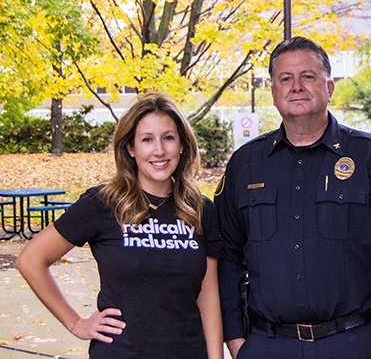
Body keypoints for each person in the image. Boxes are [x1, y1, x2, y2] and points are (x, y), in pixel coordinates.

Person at [215, 36, 371, 359]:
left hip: (354, 342)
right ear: (273, 91)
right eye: (285, 78)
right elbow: (226, 255)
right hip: (268, 345)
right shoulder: (245, 165)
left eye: (308, 76)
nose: (296, 86)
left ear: (329, 87)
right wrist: (235, 337)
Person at [16, 92, 223, 359]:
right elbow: (31, 260)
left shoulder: (200, 209)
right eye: (147, 139)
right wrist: (76, 323)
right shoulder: (102, 203)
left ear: (182, 144)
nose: (159, 150)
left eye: (168, 137)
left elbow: (208, 297)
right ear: (130, 148)